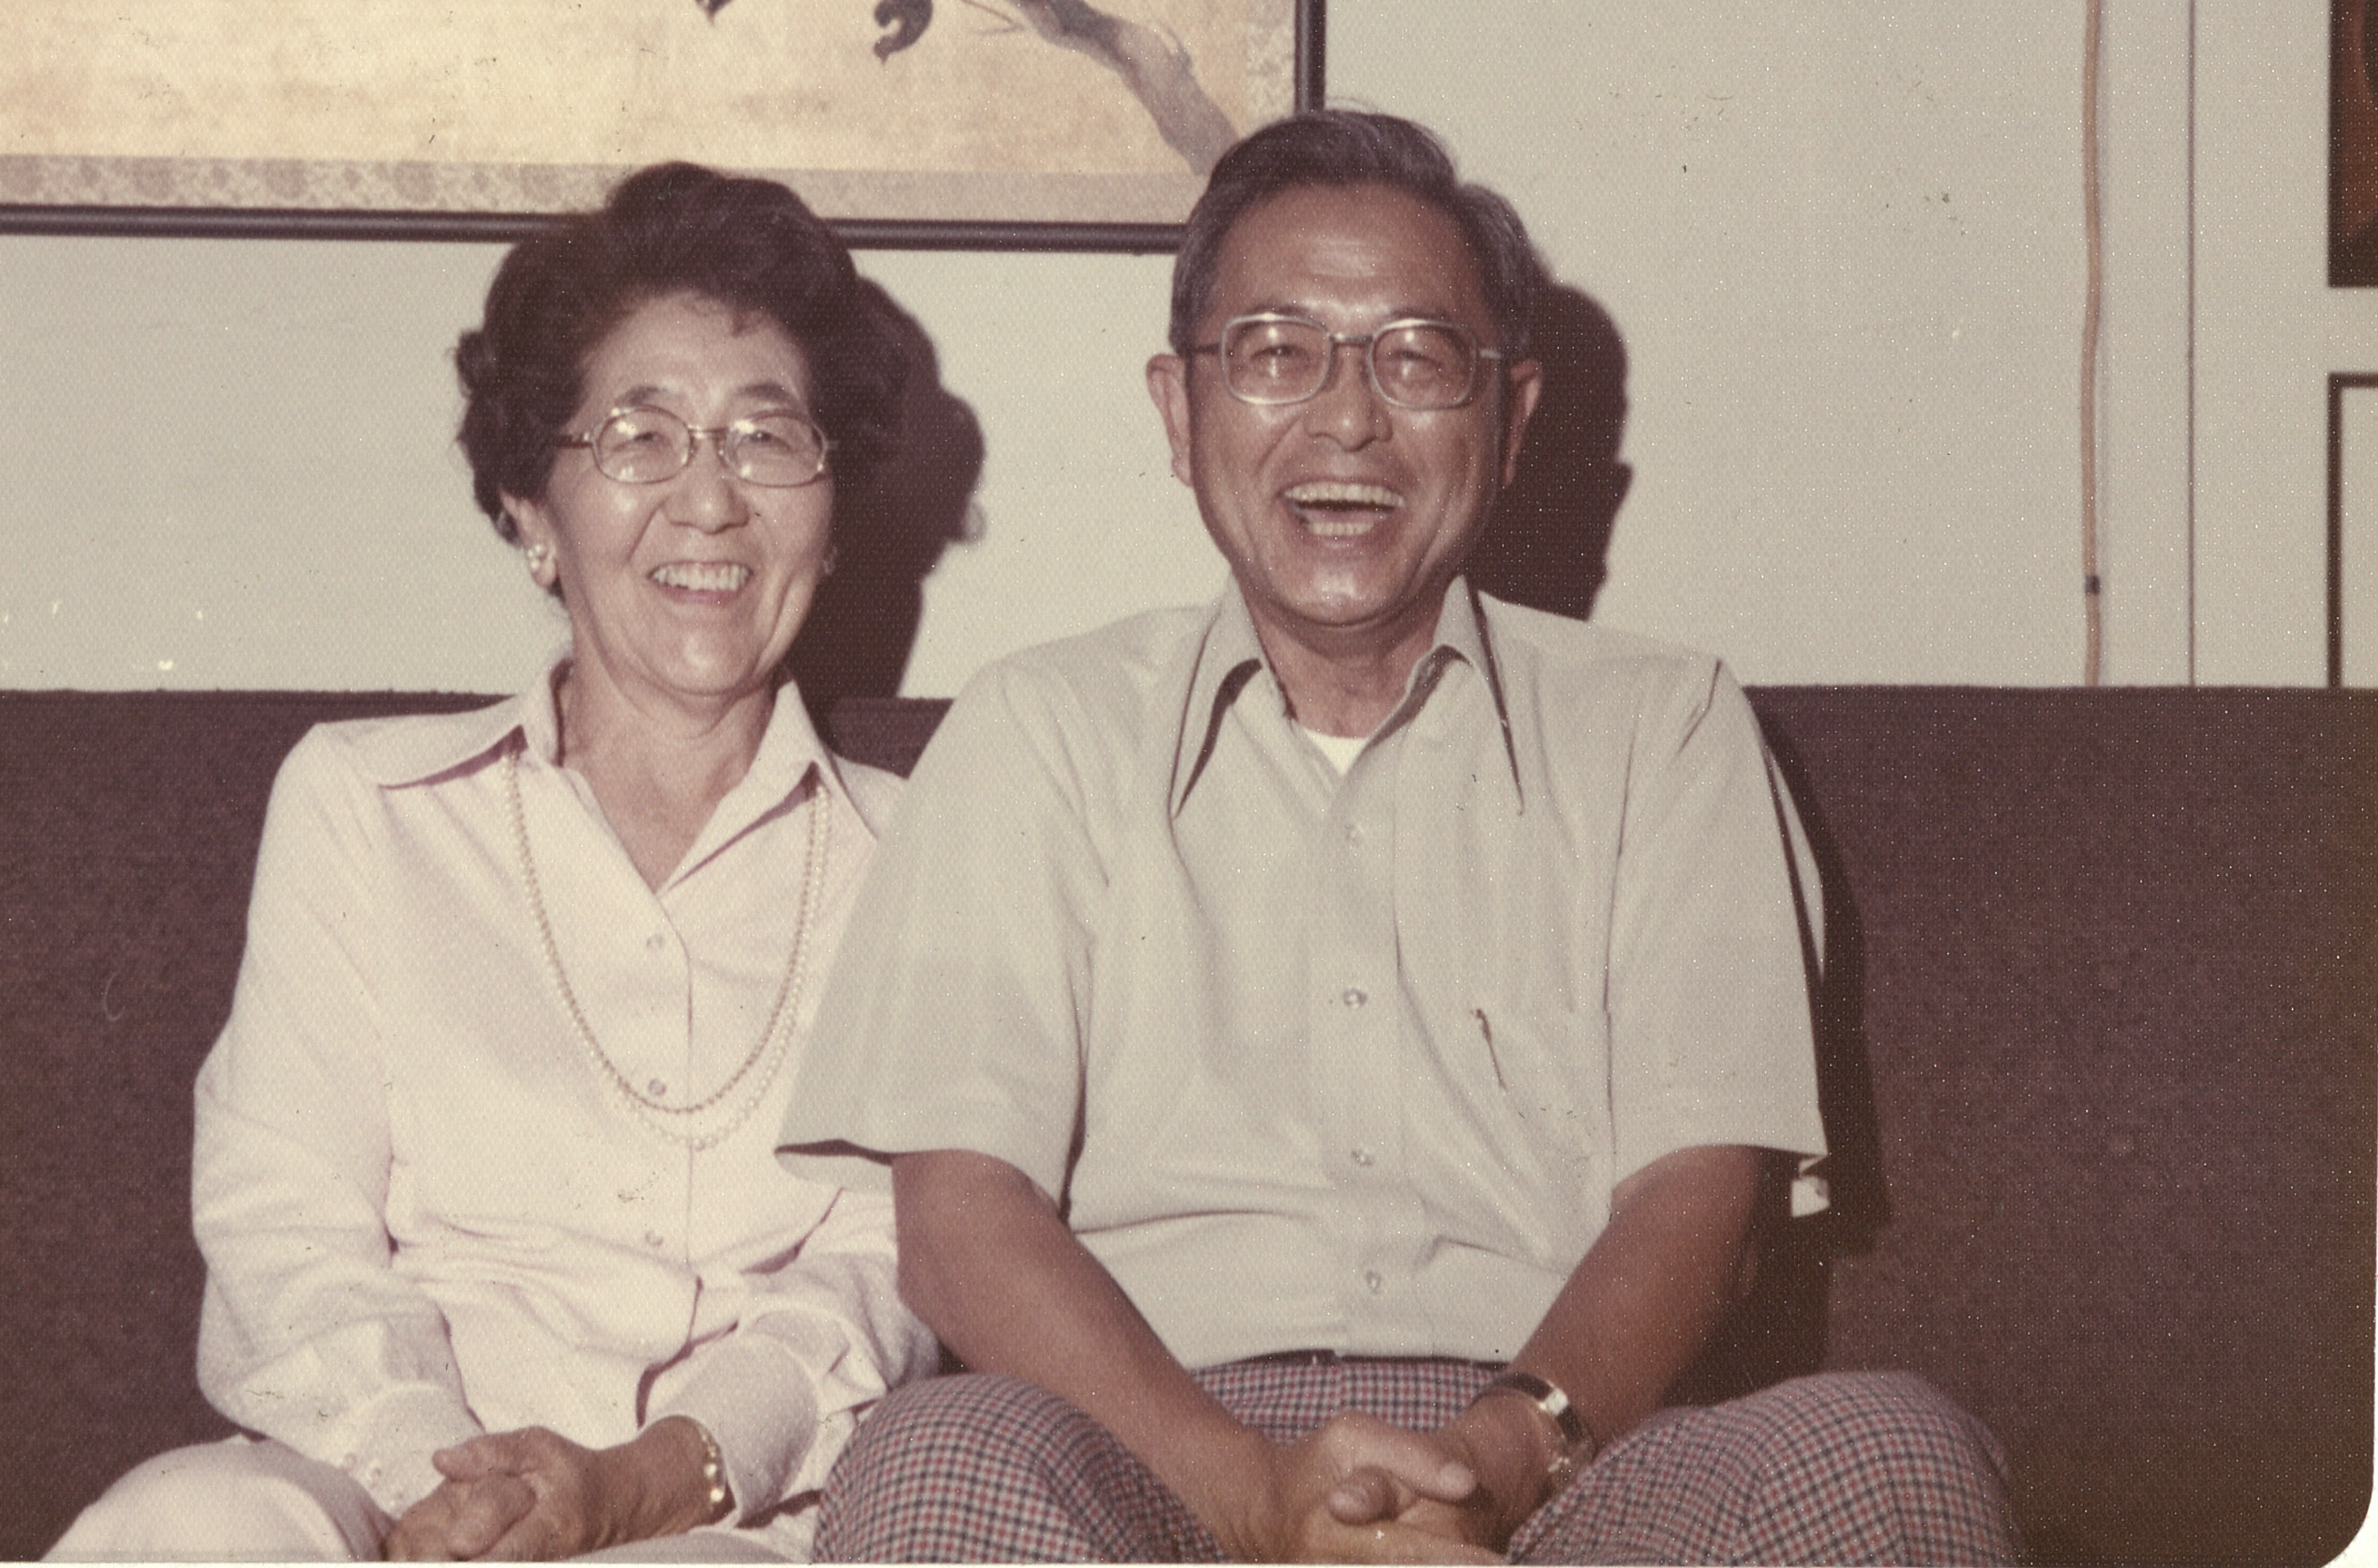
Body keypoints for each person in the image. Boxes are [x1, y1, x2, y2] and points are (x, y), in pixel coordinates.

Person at [777, 110, 2018, 1564]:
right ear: (1178, 410)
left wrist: (1493, 1462)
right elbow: (957, 1219)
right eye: (1276, 352)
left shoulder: (1660, 723)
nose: (1347, 418)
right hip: (1147, 1458)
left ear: (1511, 416)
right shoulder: (1037, 728)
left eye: (1416, 358)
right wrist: (1248, 1490)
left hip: (1570, 1461)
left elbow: (1704, 1189)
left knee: (1888, 1449)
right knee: (931, 1456)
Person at [49, 164, 934, 1563]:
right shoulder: (365, 803)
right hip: (384, 1475)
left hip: (719, 1511)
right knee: (190, 1522)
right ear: (531, 505)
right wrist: (446, 1487)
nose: (710, 499)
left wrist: (652, 1478)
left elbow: (889, 1260)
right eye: (639, 436)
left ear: (829, 516)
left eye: (767, 439)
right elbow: (287, 1221)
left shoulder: (921, 854)